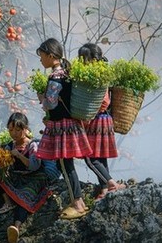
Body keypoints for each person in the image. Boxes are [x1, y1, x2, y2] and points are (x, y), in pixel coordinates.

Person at [35, 38, 92, 220]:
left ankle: (76, 203)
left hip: (61, 127)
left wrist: (41, 97)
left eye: (42, 56)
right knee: (69, 164)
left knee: (65, 165)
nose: (41, 60)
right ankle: (80, 202)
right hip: (71, 123)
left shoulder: (54, 77)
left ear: (51, 56)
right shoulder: (67, 73)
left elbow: (50, 104)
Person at [78, 43, 126, 200]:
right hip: (102, 119)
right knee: (99, 155)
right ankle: (105, 188)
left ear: (93, 59)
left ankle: (110, 183)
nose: (82, 63)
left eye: (84, 59)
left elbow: (103, 101)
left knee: (89, 156)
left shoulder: (100, 75)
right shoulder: (101, 72)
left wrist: (87, 116)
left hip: (97, 119)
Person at [0, 112, 52, 243]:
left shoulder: (32, 145)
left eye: (18, 130)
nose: (14, 133)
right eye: (11, 130)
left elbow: (33, 166)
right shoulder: (10, 145)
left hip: (34, 177)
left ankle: (16, 226)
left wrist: (19, 155)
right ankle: (8, 202)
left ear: (25, 129)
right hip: (18, 176)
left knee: (26, 195)